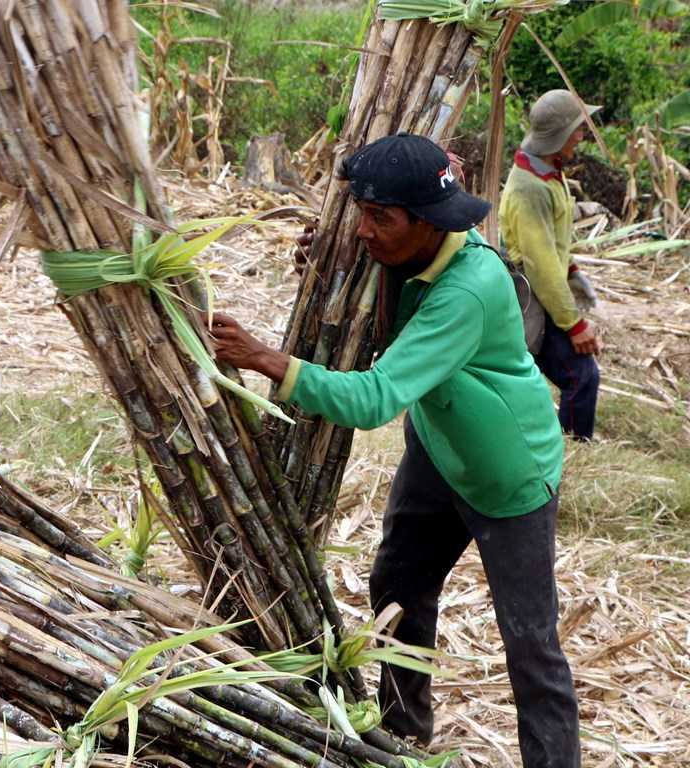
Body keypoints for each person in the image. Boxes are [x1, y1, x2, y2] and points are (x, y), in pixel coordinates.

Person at [211, 133, 581, 767]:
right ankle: (404, 736)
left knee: (531, 646)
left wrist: (265, 360)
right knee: (399, 588)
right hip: (440, 449)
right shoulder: (412, 250)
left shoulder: (467, 288)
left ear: (428, 221)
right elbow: (376, 290)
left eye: (380, 217)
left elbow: (375, 398)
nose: (364, 231)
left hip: (507, 473)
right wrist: (328, 264)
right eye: (360, 214)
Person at [500, 89, 602, 440]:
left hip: (544, 296)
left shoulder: (548, 173)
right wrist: (573, 324)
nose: (582, 135)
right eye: (577, 128)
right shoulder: (531, 188)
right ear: (560, 134)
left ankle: (563, 447)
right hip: (532, 301)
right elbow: (540, 265)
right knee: (581, 376)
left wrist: (572, 272)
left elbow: (553, 243)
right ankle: (572, 450)